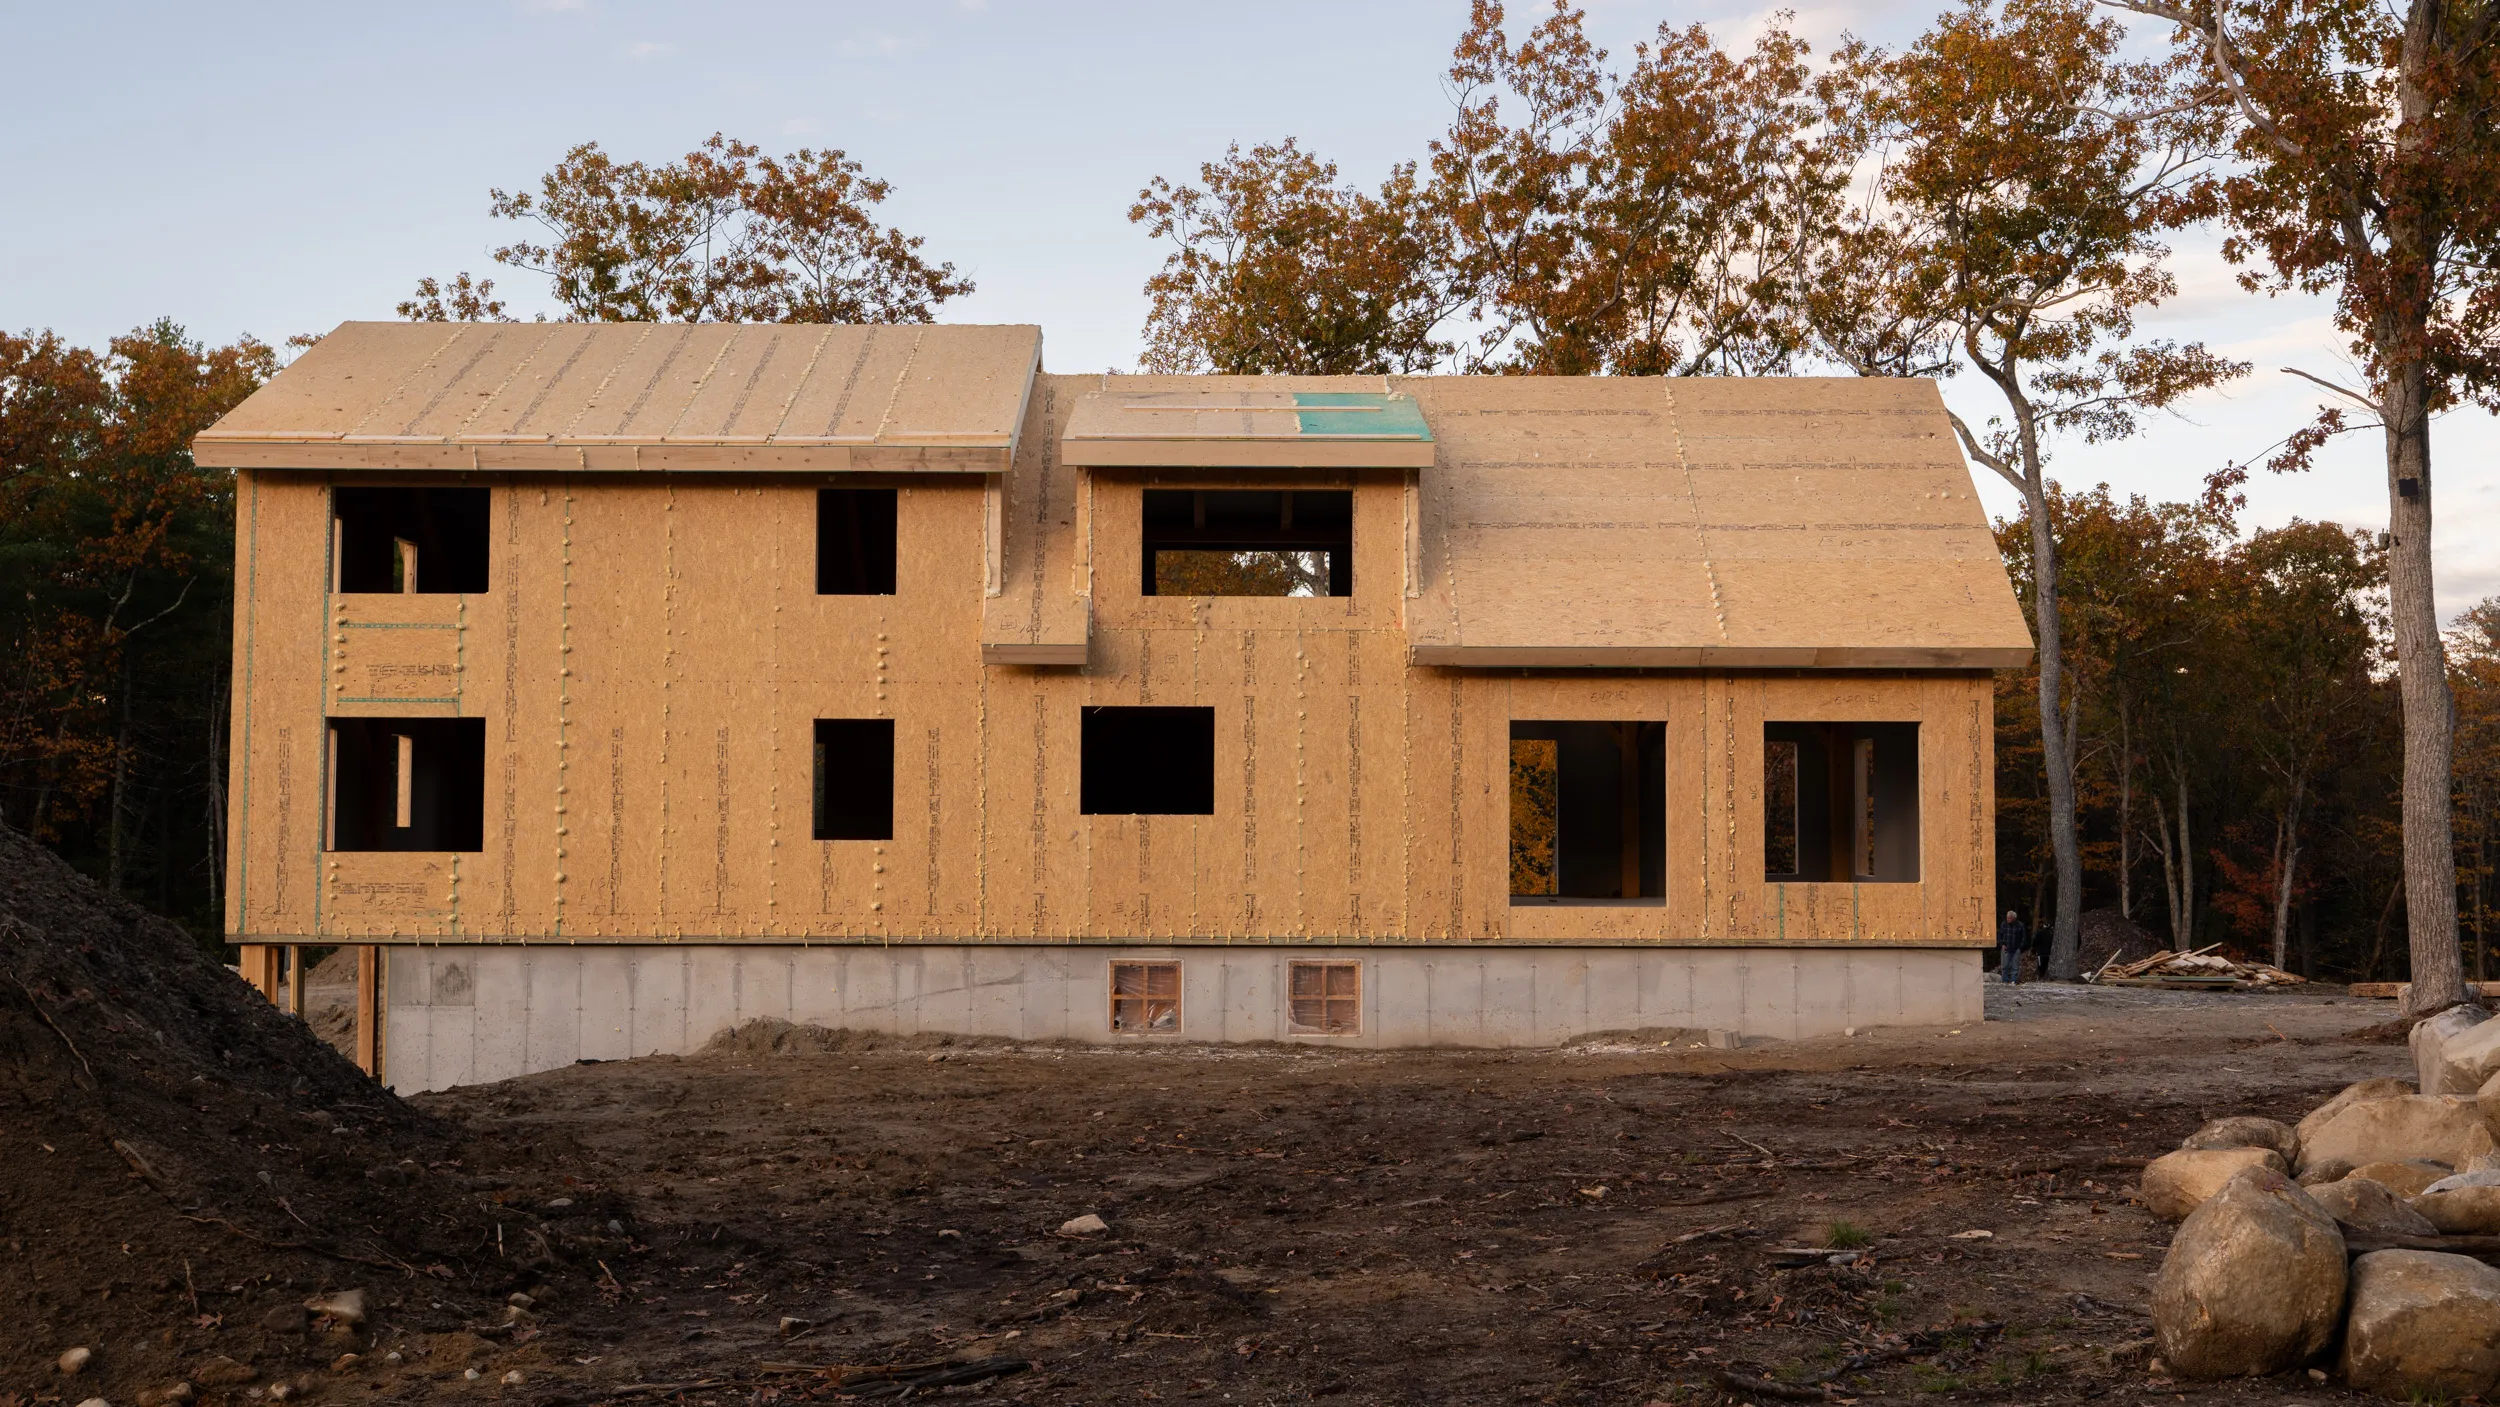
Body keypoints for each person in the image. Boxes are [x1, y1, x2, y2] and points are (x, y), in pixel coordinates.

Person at [1997, 910, 2030, 985]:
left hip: (2016, 949)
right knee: (2004, 965)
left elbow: (2023, 938)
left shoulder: (2020, 925)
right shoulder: (2004, 924)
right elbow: (1999, 936)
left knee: (2015, 966)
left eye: (2010, 918)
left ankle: (2013, 980)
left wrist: (2020, 948)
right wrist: (2002, 944)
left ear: (2014, 918)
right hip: (2006, 948)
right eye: (2007, 918)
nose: (2008, 919)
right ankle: (2005, 980)